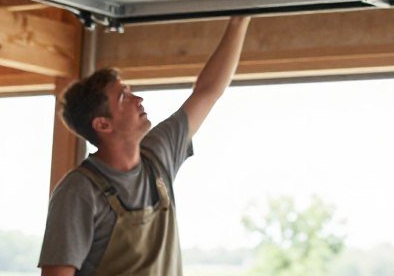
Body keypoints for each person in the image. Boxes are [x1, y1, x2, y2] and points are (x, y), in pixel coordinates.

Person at [38, 16, 251, 276]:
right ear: (103, 124)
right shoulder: (79, 191)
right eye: (123, 97)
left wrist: (239, 21)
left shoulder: (158, 157)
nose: (138, 99)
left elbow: (207, 90)